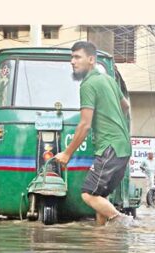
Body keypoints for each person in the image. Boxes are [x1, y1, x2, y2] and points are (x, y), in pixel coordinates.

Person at [55, 41, 132, 226]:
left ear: (91, 59)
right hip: (122, 147)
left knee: (88, 194)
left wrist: (67, 153)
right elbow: (126, 106)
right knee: (100, 197)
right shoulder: (108, 80)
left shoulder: (88, 84)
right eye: (71, 57)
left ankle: (124, 222)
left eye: (77, 57)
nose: (72, 62)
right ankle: (101, 244)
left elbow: (84, 125)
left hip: (109, 147)